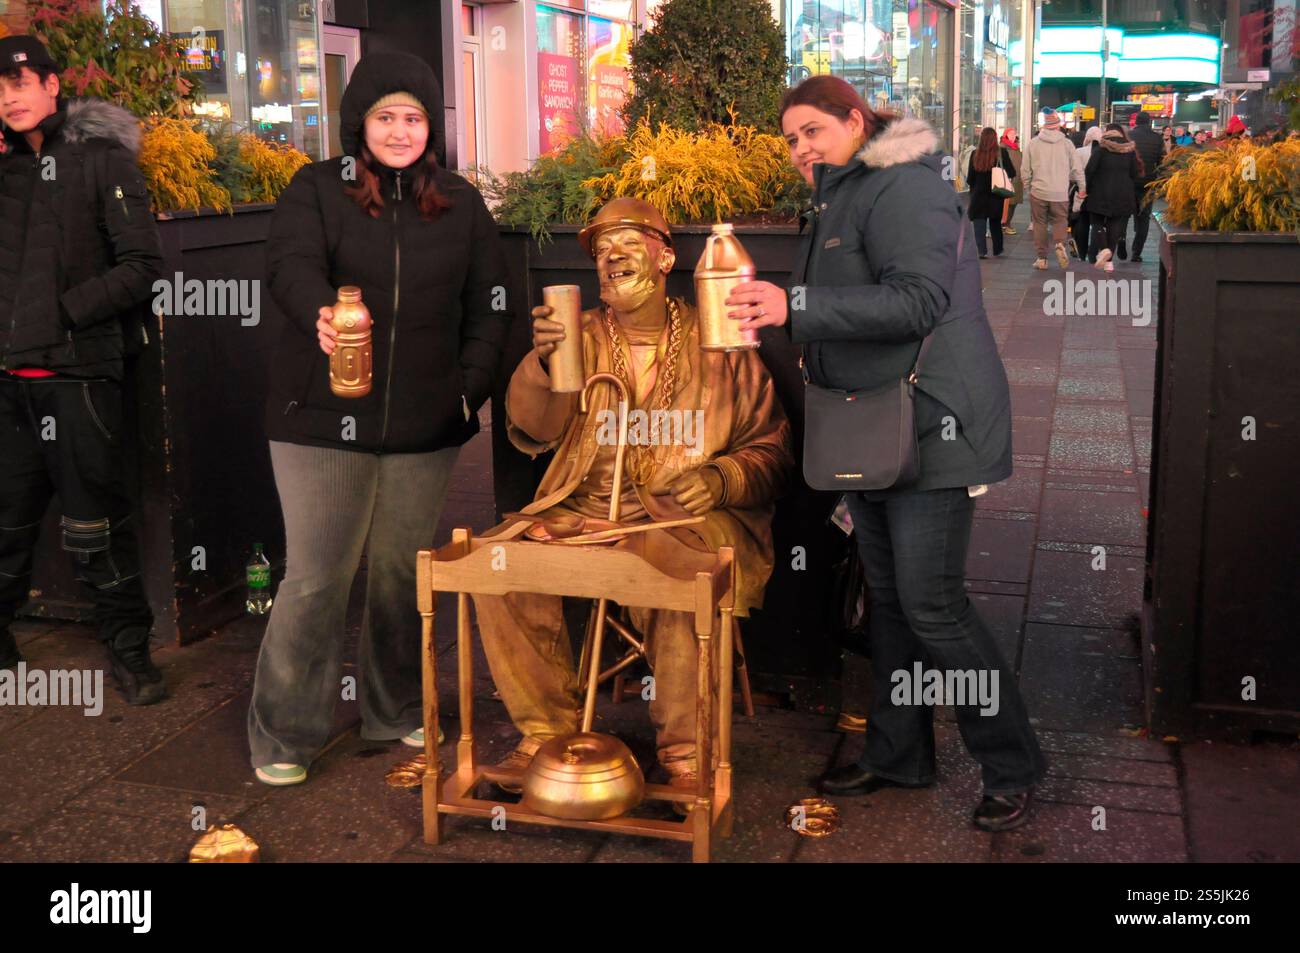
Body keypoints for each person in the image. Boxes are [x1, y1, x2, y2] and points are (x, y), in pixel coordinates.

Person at [728, 75, 1047, 832]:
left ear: (853, 117)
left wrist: (791, 305)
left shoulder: (901, 187)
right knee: (894, 604)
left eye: (813, 130)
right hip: (871, 427)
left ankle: (1012, 762)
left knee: (933, 605)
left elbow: (918, 300)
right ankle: (899, 751)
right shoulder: (839, 195)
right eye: (791, 139)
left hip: (933, 424)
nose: (802, 148)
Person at [474, 197, 792, 809]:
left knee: (674, 574)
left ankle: (685, 751)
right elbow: (533, 431)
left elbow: (773, 450)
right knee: (497, 566)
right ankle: (544, 734)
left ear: (667, 255)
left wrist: (723, 478)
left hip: (683, 516)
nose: (610, 256)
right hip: (580, 507)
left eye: (629, 241)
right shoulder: (580, 335)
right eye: (599, 249)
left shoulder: (718, 340)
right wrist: (544, 364)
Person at [246, 52, 511, 786]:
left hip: (425, 423)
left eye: (415, 117)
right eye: (386, 116)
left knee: (400, 574)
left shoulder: (459, 201)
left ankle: (391, 710)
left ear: (433, 126)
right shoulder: (316, 189)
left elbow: (490, 302)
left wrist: (468, 391)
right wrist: (321, 313)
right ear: (358, 123)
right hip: (321, 421)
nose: (400, 131)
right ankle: (284, 730)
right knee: (317, 577)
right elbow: (288, 266)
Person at [0, 36, 167, 704]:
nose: (9, 97)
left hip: (80, 378)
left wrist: (61, 316)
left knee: (94, 528)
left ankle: (131, 655)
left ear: (50, 84)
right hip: (8, 383)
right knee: (6, 525)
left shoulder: (101, 161)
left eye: (19, 82)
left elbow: (142, 268)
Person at [1021, 107, 1085, 271]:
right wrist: (1082, 187)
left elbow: (1025, 169)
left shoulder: (1032, 143)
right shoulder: (1067, 144)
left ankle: (1042, 258)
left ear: (1044, 126)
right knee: (1060, 220)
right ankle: (1059, 243)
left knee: (1040, 223)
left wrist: (1028, 186)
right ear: (1058, 126)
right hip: (1060, 192)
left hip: (1038, 191)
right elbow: (1077, 168)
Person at [1083, 123, 1141, 273]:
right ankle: (1109, 263)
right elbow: (1135, 173)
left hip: (1100, 192)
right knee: (1114, 226)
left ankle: (1104, 250)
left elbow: (1089, 170)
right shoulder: (1129, 150)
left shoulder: (1100, 149)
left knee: (1097, 223)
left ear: (1106, 133)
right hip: (1123, 193)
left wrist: (1086, 189)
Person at [966, 127, 1016, 258]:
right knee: (995, 222)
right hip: (996, 194)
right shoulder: (1002, 153)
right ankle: (998, 249)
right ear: (995, 138)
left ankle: (981, 251)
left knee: (979, 222)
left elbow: (970, 178)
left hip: (978, 194)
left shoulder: (974, 154)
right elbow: (1012, 172)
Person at [1128, 112, 1165, 262]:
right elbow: (1162, 162)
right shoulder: (1157, 138)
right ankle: (1136, 253)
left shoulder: (1129, 136)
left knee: (1124, 215)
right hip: (1148, 183)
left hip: (1129, 181)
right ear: (1149, 122)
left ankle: (1121, 241)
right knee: (1143, 218)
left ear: (1136, 122)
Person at [1070, 126, 1102, 262]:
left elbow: (1072, 174)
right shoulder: (1104, 152)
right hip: (1098, 191)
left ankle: (1081, 252)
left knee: (1081, 220)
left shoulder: (1079, 152)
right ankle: (1094, 252)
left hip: (1081, 190)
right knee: (1096, 223)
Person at [998, 126, 1024, 234]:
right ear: (1005, 135)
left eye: (1014, 133)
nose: (1013, 136)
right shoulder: (1002, 148)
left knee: (1013, 203)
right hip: (1006, 179)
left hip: (1017, 180)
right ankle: (1003, 224)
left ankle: (1007, 223)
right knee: (1005, 204)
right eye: (1011, 134)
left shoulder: (1016, 148)